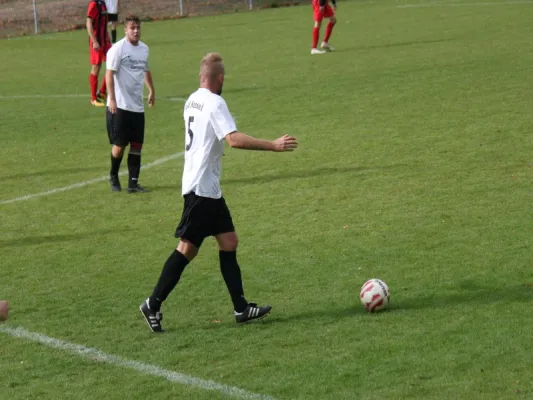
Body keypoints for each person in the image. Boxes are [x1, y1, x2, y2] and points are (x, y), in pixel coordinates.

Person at [139, 52, 298, 333]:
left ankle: (241, 308)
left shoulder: (191, 100)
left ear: (201, 77)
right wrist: (273, 145)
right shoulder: (215, 102)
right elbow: (233, 140)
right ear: (220, 78)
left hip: (205, 187)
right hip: (201, 188)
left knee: (229, 241)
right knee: (187, 249)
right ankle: (152, 303)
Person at [105, 15, 155, 193]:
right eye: (132, 28)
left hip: (137, 106)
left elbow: (146, 70)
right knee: (119, 146)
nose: (136, 31)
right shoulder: (117, 49)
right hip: (120, 106)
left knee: (137, 145)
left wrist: (151, 90)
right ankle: (113, 175)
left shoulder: (144, 49)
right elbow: (109, 74)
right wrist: (112, 99)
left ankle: (133, 184)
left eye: (138, 28)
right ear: (125, 30)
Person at [86, 0, 111, 106]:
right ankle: (93, 98)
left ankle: (102, 92)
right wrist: (95, 41)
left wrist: (108, 34)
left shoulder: (103, 3)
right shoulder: (93, 4)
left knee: (113, 64)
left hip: (105, 40)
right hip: (97, 41)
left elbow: (104, 23)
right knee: (96, 67)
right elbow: (88, 23)